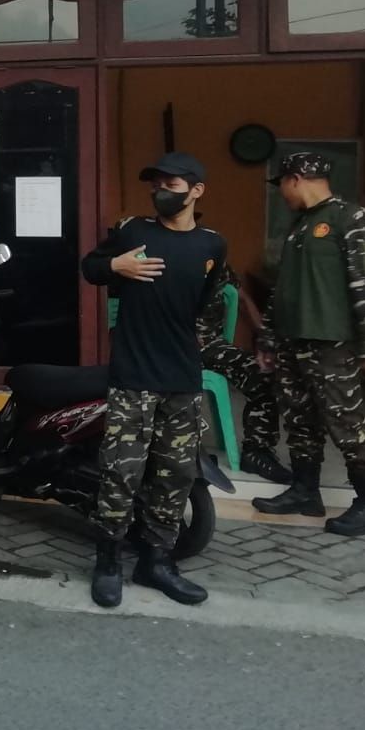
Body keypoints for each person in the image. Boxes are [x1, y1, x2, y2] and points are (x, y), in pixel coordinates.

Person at [81, 151, 225, 609]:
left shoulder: (211, 246)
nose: (161, 190)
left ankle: (156, 562)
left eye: (173, 184)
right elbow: (89, 267)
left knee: (174, 476)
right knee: (120, 474)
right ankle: (107, 563)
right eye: (156, 183)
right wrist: (114, 268)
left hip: (181, 378)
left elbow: (206, 302)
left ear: (196, 191)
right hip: (133, 377)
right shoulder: (134, 232)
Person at [252, 152, 365, 536]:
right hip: (292, 341)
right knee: (300, 421)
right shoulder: (299, 227)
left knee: (347, 424)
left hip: (332, 343)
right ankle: (304, 491)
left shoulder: (353, 219)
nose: (281, 193)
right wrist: (267, 336)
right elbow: (282, 290)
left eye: (281, 183)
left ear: (295, 179)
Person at [198, 264, 290, 485]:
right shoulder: (164, 258)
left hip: (210, 346)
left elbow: (242, 299)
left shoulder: (212, 257)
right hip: (171, 345)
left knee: (264, 373)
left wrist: (264, 336)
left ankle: (257, 451)